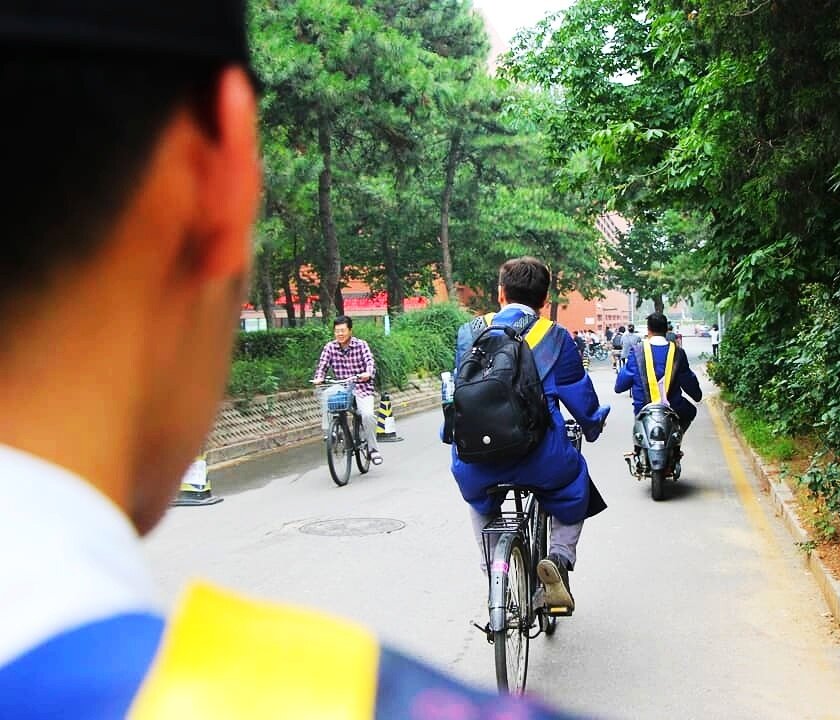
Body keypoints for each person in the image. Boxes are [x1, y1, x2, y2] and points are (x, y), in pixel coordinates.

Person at [0, 6, 575, 717]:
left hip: (464, 458)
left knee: (397, 433)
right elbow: (572, 397)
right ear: (220, 174)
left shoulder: (457, 335)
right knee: (567, 484)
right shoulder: (362, 701)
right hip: (529, 453)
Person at [447, 257, 610, 613]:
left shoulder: (470, 332)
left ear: (500, 293)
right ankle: (559, 558)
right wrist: (593, 424)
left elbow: (457, 393)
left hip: (478, 458)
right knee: (575, 483)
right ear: (545, 299)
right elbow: (579, 396)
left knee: (478, 498)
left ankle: (495, 568)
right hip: (541, 457)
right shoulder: (555, 336)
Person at [615, 312, 703, 433]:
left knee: (639, 432)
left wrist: (620, 385)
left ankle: (640, 444)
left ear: (648, 330)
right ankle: (676, 438)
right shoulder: (678, 353)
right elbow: (688, 380)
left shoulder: (637, 352)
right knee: (691, 411)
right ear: (666, 330)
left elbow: (620, 385)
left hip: (643, 410)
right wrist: (697, 395)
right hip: (673, 409)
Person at [313, 315, 382, 466]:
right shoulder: (330, 347)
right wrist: (319, 378)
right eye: (337, 331)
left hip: (362, 387)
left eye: (343, 330)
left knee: (368, 415)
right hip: (342, 387)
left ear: (350, 330)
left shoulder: (361, 345)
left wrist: (368, 373)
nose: (340, 334)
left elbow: (370, 362)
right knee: (326, 395)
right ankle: (331, 432)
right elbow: (322, 366)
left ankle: (373, 449)